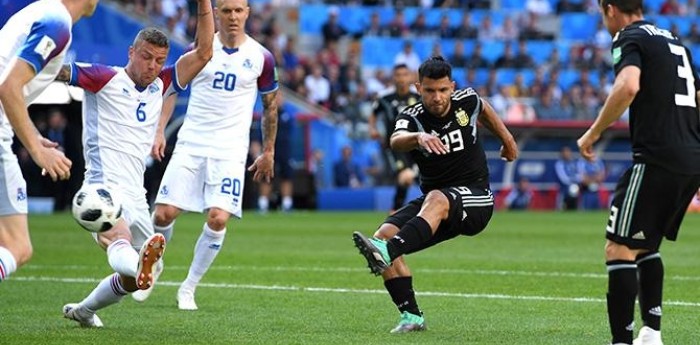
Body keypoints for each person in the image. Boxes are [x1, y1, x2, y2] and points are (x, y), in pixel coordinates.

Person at [57, 0, 214, 327]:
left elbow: (203, 53)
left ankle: (84, 310)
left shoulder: (162, 84)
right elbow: (57, 72)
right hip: (102, 187)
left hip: (137, 195)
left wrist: (203, 4)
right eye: (146, 57)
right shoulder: (103, 78)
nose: (153, 66)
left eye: (159, 60)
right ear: (131, 52)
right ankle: (141, 262)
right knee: (119, 238)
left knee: (135, 281)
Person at [352, 56, 518, 333]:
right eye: (430, 91)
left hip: (476, 198)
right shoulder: (412, 117)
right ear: (419, 88)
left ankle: (386, 253)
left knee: (433, 203)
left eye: (443, 90)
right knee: (383, 234)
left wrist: (508, 140)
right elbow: (395, 141)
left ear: (452, 87)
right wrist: (419, 138)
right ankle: (411, 317)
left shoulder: (467, 100)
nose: (437, 98)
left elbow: (485, 108)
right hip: (437, 203)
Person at [136, 0, 279, 310]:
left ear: (247, 13)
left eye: (238, 10)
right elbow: (171, 88)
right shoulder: (199, 49)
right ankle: (154, 262)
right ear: (216, 13)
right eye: (226, 10)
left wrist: (268, 151)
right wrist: (159, 130)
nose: (232, 17)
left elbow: (270, 106)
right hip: (191, 144)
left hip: (230, 151)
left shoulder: (261, 57)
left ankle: (188, 288)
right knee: (163, 214)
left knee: (218, 218)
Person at [576, 0, 700, 343]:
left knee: (618, 247)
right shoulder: (676, 40)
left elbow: (628, 86)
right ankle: (650, 335)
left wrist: (594, 131)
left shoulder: (628, 37)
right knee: (646, 245)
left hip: (658, 156)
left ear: (610, 8)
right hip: (690, 157)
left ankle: (622, 341)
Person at [0, 0, 99, 283]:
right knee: (17, 246)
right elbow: (8, 88)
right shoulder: (57, 23)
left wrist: (33, 136)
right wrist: (34, 148)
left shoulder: (42, 13)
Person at [368, 64, 420, 211]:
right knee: (406, 176)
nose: (401, 78)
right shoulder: (385, 97)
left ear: (410, 77)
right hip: (394, 145)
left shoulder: (417, 96)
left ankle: (395, 211)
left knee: (409, 179)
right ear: (393, 77)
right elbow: (373, 113)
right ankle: (397, 210)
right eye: (398, 75)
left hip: (415, 144)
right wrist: (372, 129)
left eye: (404, 74)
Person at [258, 90, 293, 213]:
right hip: (268, 151)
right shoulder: (266, 115)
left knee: (286, 175)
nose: (279, 100)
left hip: (283, 151)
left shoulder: (287, 116)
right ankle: (263, 203)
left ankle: (287, 203)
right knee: (266, 176)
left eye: (280, 97)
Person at [555, 146, 581, 210]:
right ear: (562, 154)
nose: (567, 154)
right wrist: (573, 180)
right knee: (562, 208)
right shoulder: (559, 164)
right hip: (564, 190)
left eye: (568, 152)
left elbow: (579, 175)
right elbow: (563, 178)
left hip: (575, 188)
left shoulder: (573, 163)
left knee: (574, 207)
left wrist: (576, 180)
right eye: (565, 152)